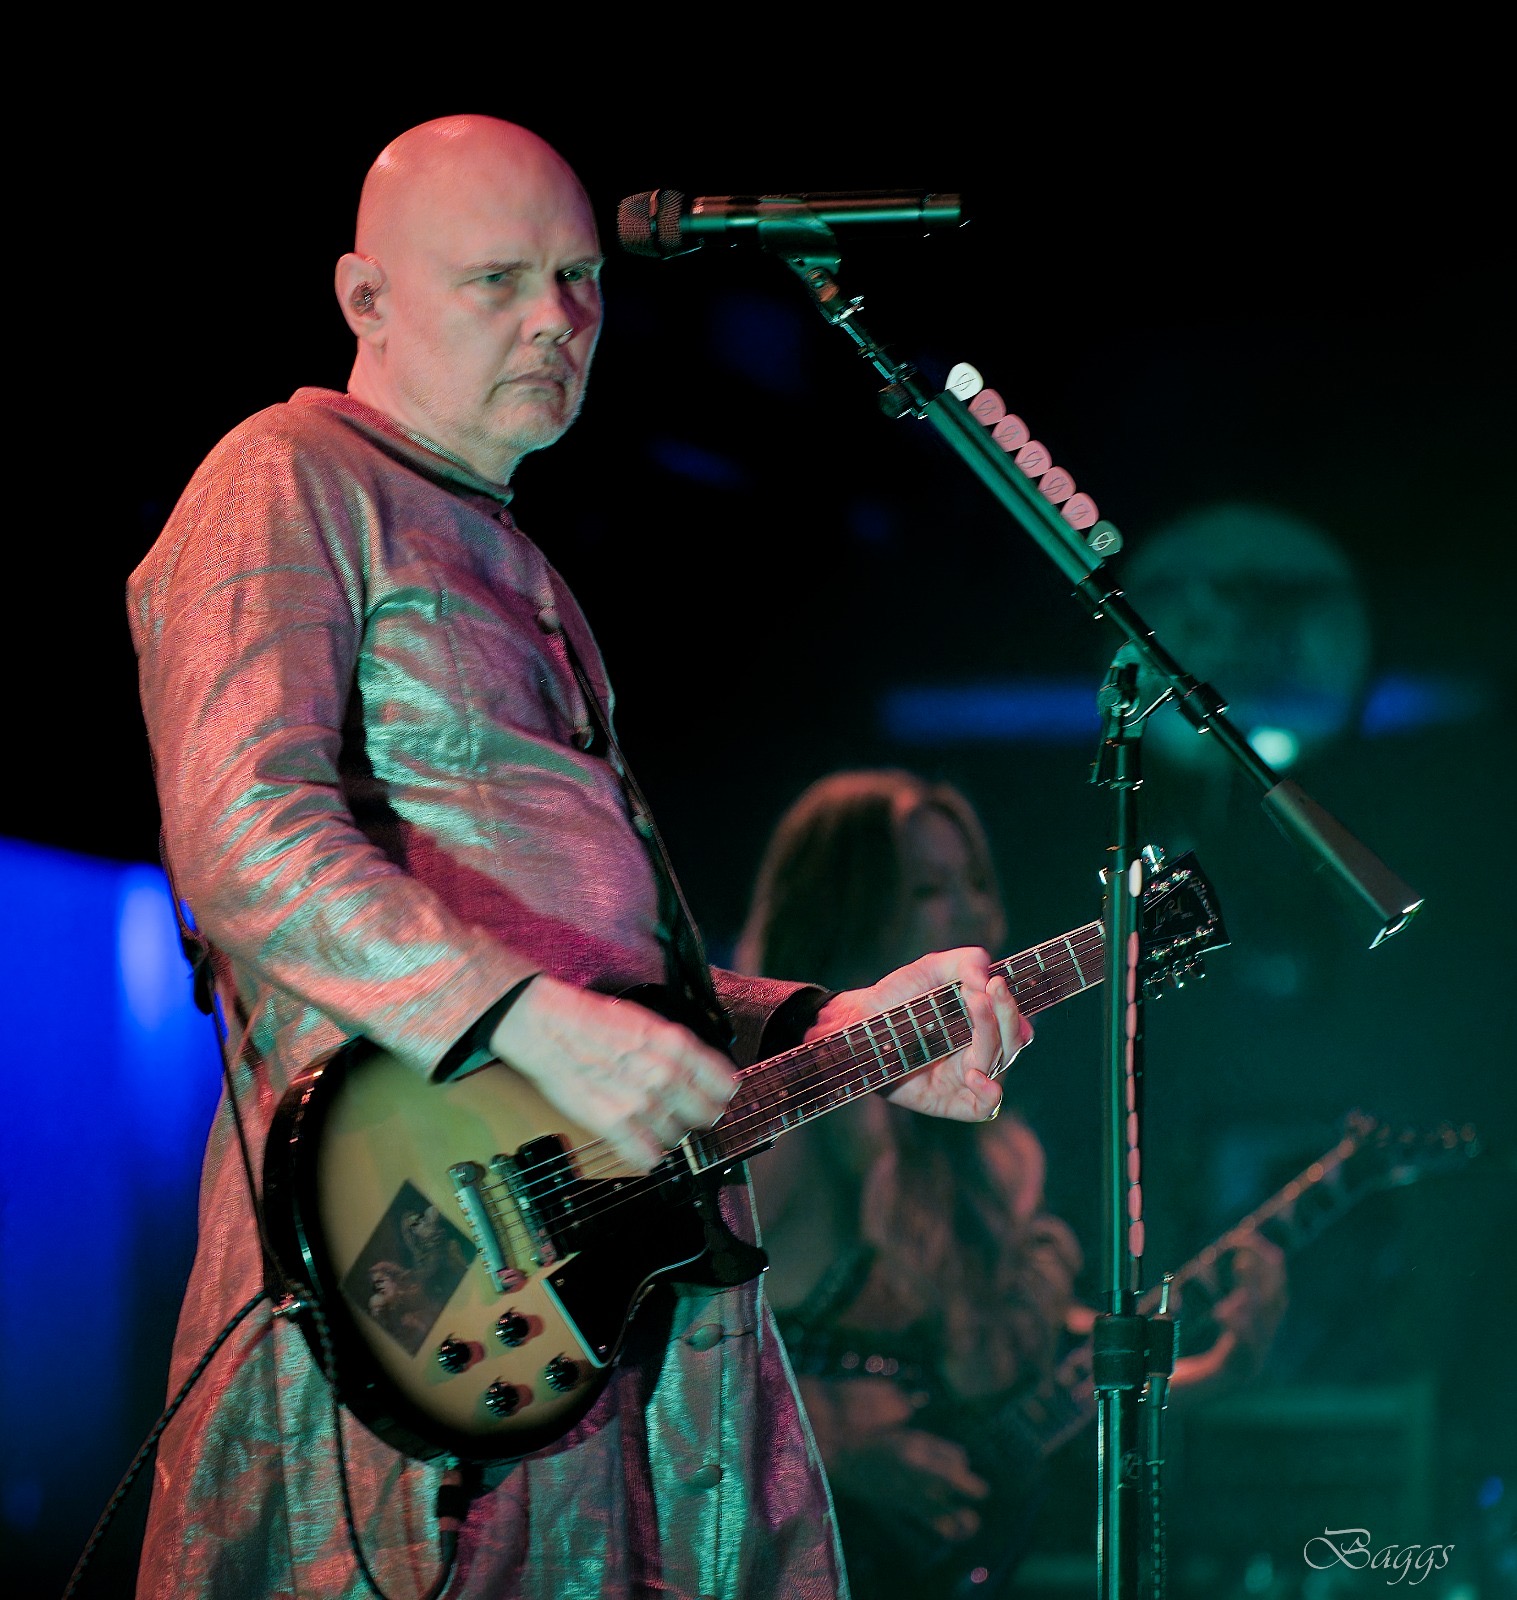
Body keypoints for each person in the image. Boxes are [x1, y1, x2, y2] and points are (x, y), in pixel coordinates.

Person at [124, 115, 1031, 1600]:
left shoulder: (518, 558)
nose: (558, 317)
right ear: (366, 297)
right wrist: (534, 1026)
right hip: (411, 1270)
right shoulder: (285, 477)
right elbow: (243, 831)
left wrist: (829, 1024)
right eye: (498, 279)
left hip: (584, 1275)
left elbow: (614, 984)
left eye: (580, 278)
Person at [735, 768, 1289, 1600]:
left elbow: (1021, 1384)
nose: (970, 914)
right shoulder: (783, 1137)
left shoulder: (986, 1148)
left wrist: (1205, 1370)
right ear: (836, 916)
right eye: (927, 890)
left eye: (975, 882)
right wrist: (829, 1442)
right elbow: (661, 1354)